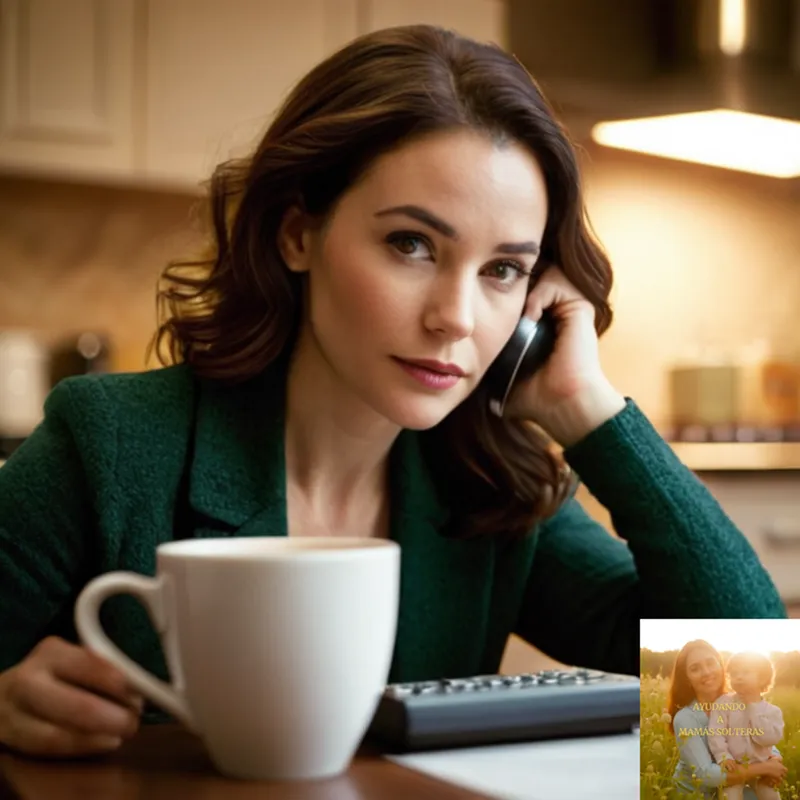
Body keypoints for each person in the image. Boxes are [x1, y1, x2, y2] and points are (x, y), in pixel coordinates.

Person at [0, 24, 787, 759]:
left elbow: (743, 695)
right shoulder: (108, 442)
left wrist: (591, 412)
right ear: (297, 234)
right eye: (411, 244)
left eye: (503, 270)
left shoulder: (498, 487)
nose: (456, 319)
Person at [668, 641, 787, 798]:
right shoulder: (685, 718)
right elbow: (705, 774)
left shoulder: (739, 701)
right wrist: (765, 768)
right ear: (687, 678)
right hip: (698, 794)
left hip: (735, 783)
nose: (706, 672)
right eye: (695, 669)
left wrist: (774, 758)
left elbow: (757, 737)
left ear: (721, 666)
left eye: (710, 663)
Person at [707, 652, 785, 800]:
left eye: (746, 672)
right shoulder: (723, 704)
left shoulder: (773, 711)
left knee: (771, 796)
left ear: (762, 678)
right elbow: (716, 733)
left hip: (762, 768)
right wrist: (723, 757)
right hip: (735, 766)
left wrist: (752, 707)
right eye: (734, 673)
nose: (739, 677)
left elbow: (768, 739)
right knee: (729, 796)